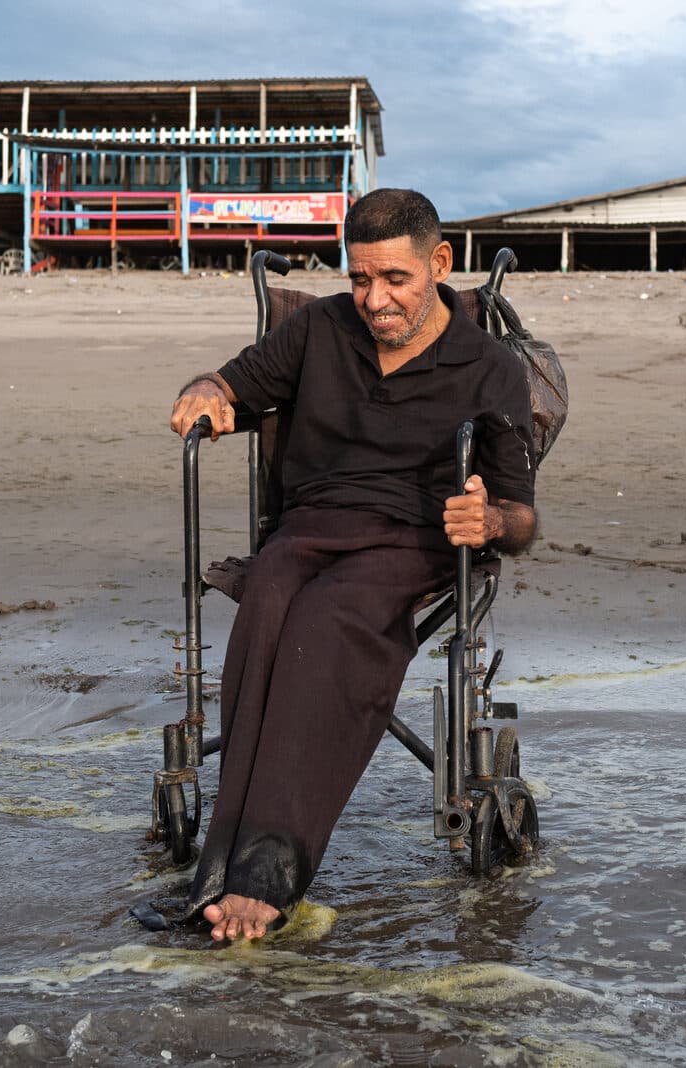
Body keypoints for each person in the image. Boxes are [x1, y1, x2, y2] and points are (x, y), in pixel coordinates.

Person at [167, 188, 538, 942]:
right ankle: (221, 863)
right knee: (270, 597)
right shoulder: (318, 328)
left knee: (326, 618)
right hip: (307, 527)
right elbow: (230, 383)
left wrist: (491, 520)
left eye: (395, 279)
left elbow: (521, 516)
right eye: (361, 278)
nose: (374, 300)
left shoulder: (490, 367)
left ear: (439, 263)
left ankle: (269, 871)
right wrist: (204, 391)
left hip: (411, 539)